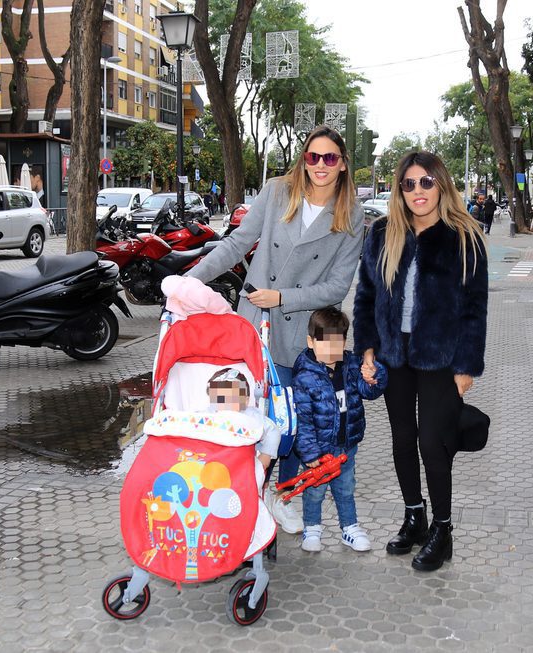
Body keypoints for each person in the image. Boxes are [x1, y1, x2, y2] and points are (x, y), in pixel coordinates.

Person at [187, 124, 364, 534]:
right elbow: (236, 243)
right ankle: (234, 492)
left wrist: (283, 297)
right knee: (244, 410)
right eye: (313, 156)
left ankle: (280, 494)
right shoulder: (276, 191)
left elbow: (337, 287)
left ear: (342, 165)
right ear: (304, 159)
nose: (320, 165)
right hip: (256, 322)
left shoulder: (350, 212)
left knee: (292, 421)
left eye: (330, 158)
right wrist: (191, 280)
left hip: (304, 332)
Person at [353, 151, 488, 572]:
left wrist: (466, 366)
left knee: (432, 442)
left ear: (441, 186)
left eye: (425, 182)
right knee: (400, 440)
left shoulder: (464, 236)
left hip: (440, 358)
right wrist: (367, 348)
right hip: (395, 353)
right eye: (408, 184)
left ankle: (443, 531)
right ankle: (415, 515)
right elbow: (366, 297)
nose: (417, 191)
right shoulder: (381, 234)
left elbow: (474, 307)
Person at [291, 308, 387, 553]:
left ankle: (349, 528)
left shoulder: (351, 366)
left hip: (347, 445)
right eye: (325, 342)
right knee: (315, 491)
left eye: (338, 341)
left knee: (345, 488)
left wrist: (374, 376)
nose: (332, 348)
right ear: (311, 342)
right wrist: (309, 453)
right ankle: (312, 528)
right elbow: (302, 418)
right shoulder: (305, 376)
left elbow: (369, 393)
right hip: (319, 451)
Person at [206, 368, 280, 473]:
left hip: (243, 464)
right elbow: (193, 421)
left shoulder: (251, 416)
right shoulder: (209, 414)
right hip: (213, 460)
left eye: (232, 398)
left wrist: (266, 454)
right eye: (220, 398)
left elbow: (273, 431)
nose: (225, 403)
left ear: (245, 401)